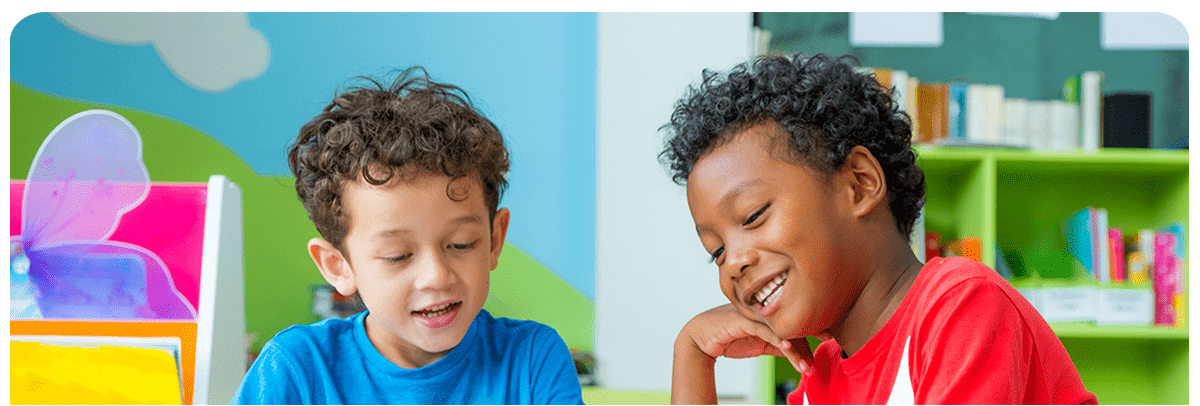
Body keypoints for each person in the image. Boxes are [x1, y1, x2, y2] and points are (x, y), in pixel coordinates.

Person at [661, 53, 1097, 404]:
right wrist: (694, 355)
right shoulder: (820, 380)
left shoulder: (962, 307)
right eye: (716, 251)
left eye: (754, 215)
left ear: (859, 184)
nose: (733, 261)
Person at [233, 67, 583, 404]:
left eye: (460, 244)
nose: (436, 276)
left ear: (494, 238)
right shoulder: (296, 369)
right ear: (338, 266)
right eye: (398, 255)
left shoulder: (533, 360)